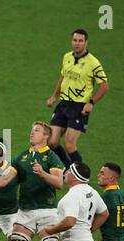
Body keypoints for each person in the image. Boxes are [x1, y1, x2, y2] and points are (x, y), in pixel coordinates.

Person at [47, 29, 109, 169]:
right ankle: (69, 168)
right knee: (51, 142)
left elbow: (104, 86)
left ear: (86, 42)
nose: (77, 44)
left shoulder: (93, 63)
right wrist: (54, 96)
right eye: (75, 40)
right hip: (64, 103)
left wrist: (91, 102)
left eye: (80, 41)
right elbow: (63, 78)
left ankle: (81, 175)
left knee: (69, 145)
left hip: (79, 107)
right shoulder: (67, 57)